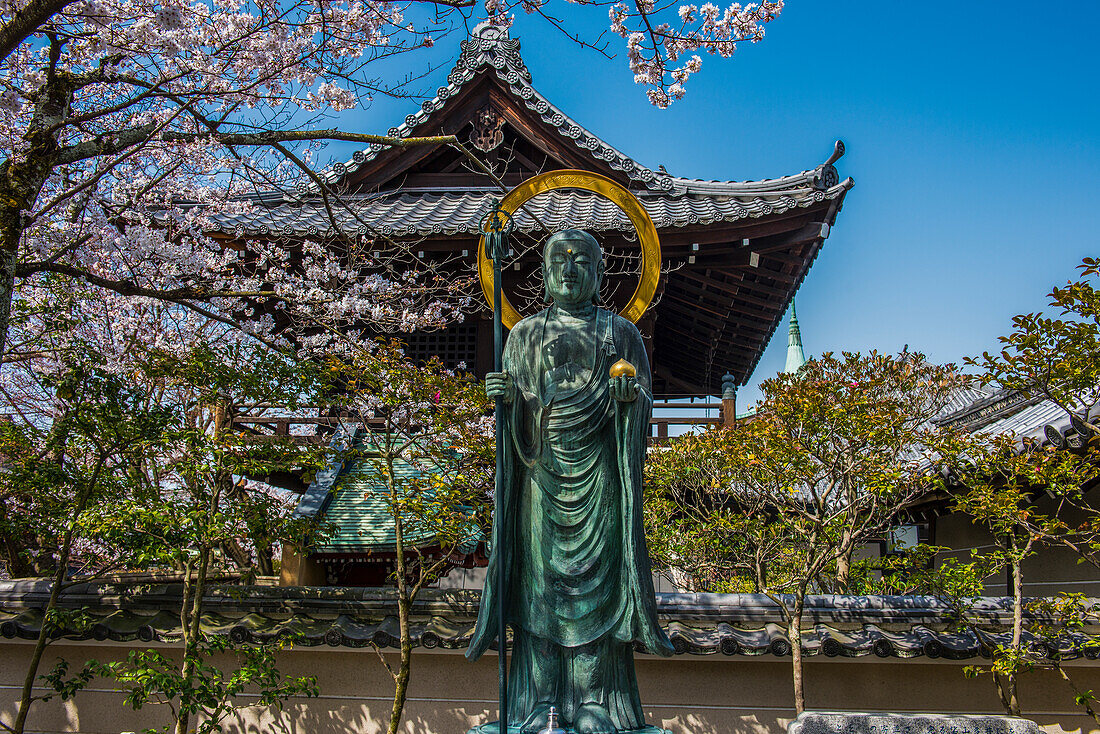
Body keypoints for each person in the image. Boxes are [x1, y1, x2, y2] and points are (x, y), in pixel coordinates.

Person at [466, 229, 673, 734]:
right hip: (541, 480)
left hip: (600, 478)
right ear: (543, 271)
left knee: (599, 591)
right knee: (539, 595)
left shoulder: (619, 334)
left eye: (583, 259)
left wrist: (628, 399)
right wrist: (506, 401)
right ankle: (536, 704)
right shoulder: (523, 336)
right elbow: (516, 424)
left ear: (601, 273)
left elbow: (642, 408)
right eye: (559, 259)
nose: (570, 268)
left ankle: (597, 701)